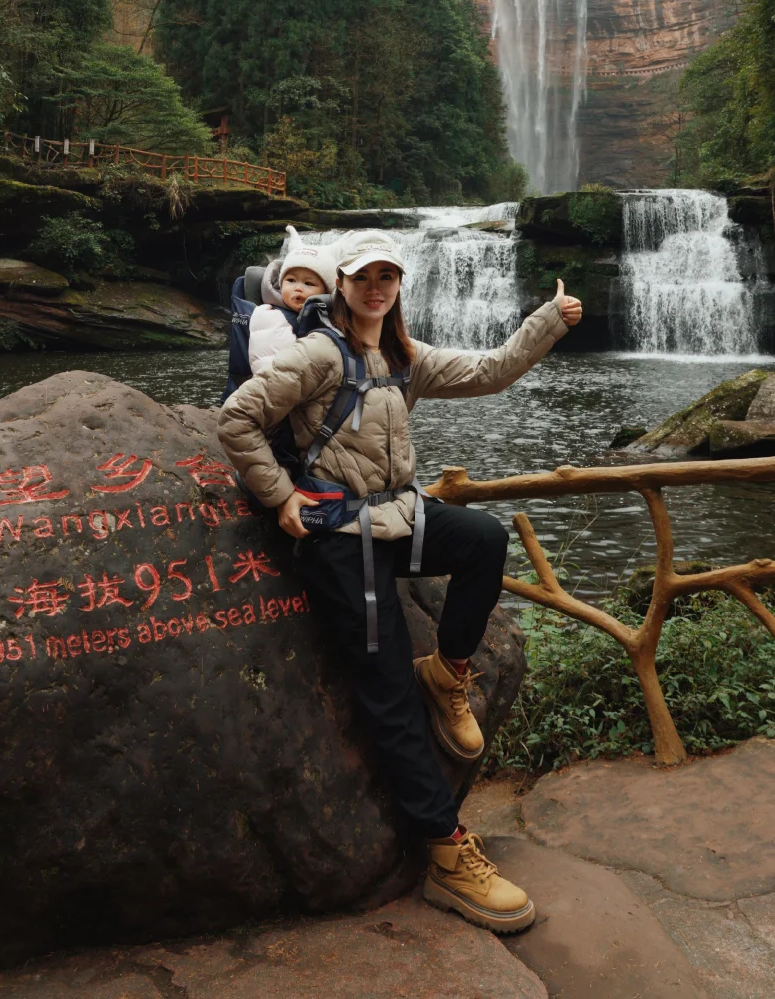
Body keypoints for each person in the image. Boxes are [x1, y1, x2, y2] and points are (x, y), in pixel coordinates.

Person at [218, 226, 583, 934]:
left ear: (397, 286)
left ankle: (447, 672)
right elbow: (238, 418)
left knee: (482, 538)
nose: (376, 286)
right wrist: (282, 497)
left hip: (395, 517)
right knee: (384, 687)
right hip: (337, 538)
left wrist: (547, 321)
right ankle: (446, 853)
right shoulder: (318, 352)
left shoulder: (401, 358)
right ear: (344, 284)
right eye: (364, 276)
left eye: (388, 276)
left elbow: (491, 370)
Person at [247, 228, 337, 374]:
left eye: (308, 284)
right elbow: (268, 369)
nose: (298, 288)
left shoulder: (328, 315)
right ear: (281, 284)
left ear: (326, 292)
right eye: (291, 280)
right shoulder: (270, 316)